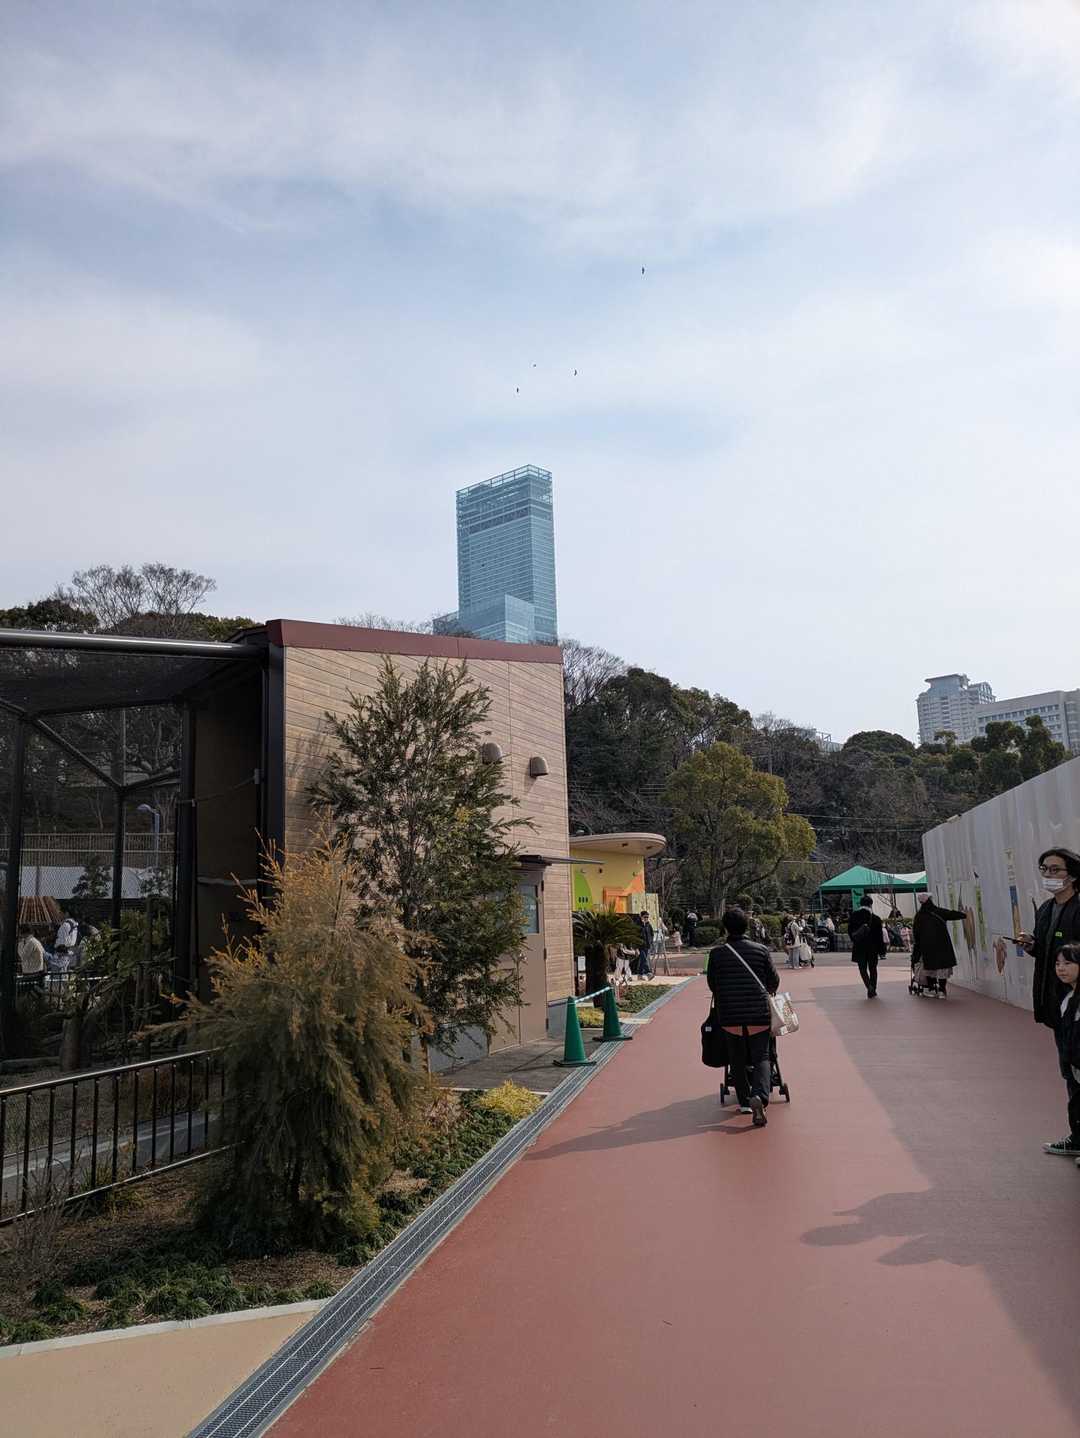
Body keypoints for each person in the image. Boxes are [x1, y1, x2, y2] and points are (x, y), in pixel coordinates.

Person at [1017, 849, 1080, 1156]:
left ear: (1073, 874)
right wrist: (1031, 944)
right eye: (1044, 869)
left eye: (1056, 870)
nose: (1049, 875)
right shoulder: (1045, 909)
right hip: (1056, 1004)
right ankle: (1077, 1136)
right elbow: (1046, 950)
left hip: (1076, 1003)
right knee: (1070, 1071)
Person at [706, 908, 780, 1128]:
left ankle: (745, 1101)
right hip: (758, 1013)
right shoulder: (761, 950)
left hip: (730, 1015)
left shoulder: (717, 954)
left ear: (725, 928)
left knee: (736, 1058)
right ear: (747, 926)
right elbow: (773, 982)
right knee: (762, 1056)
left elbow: (712, 984)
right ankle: (760, 1096)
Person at [1048, 942, 1080, 1161]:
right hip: (1074, 1064)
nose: (1061, 968)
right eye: (1058, 964)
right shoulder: (1067, 997)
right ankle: (1077, 1141)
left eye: (1068, 963)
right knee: (1076, 1104)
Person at [911, 893, 967, 996]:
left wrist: (917, 949)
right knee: (942, 968)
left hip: (927, 947)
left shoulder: (919, 916)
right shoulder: (939, 912)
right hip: (942, 945)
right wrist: (964, 914)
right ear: (930, 900)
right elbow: (951, 914)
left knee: (930, 968)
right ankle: (941, 990)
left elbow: (916, 934)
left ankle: (931, 989)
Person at [848, 897, 886, 997]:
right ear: (870, 904)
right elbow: (879, 937)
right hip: (873, 948)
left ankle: (869, 986)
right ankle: (873, 988)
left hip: (859, 947)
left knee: (862, 968)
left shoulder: (854, 916)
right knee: (873, 968)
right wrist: (882, 951)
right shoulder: (876, 918)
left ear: (860, 904)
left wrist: (855, 940)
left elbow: (850, 932)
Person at [17, 925, 45, 989]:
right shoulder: (35, 941)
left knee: (29, 992)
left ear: (23, 933)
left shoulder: (30, 942)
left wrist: (20, 943)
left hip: (32, 972)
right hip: (36, 971)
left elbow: (23, 956)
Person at [634, 910, 654, 979]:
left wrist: (650, 941)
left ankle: (639, 975)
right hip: (640, 946)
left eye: (647, 917)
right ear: (641, 917)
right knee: (644, 959)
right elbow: (635, 936)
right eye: (645, 917)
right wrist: (636, 947)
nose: (646, 918)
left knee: (642, 960)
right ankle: (648, 973)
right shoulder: (637, 924)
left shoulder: (648, 925)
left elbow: (652, 934)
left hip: (647, 945)